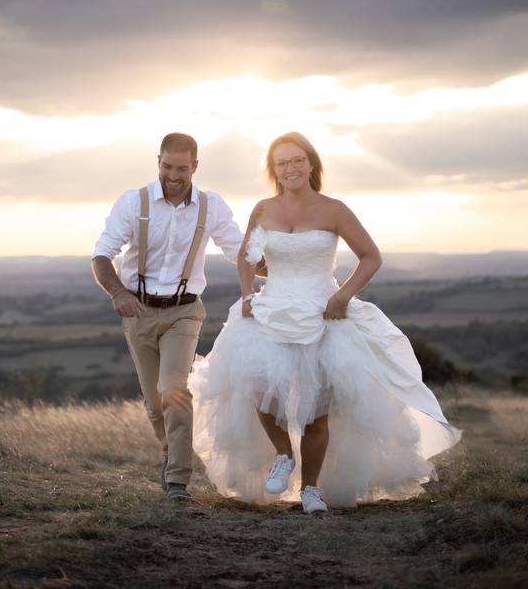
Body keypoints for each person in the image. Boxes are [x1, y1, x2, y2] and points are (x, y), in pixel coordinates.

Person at [191, 132, 461, 513]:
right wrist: (248, 294)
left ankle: (311, 489)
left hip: (323, 312)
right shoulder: (263, 209)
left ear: (312, 163)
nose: (291, 168)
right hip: (272, 310)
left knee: (318, 408)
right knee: (257, 389)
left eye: (297, 160)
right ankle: (284, 455)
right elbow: (246, 257)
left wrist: (342, 296)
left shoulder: (334, 209)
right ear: (274, 171)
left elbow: (370, 256)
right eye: (282, 163)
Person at [92, 132, 246, 502]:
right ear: (157, 160)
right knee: (153, 402)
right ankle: (169, 452)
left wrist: (289, 271)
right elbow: (101, 256)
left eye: (181, 168)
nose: (173, 175)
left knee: (173, 389)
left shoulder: (212, 207)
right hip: (138, 311)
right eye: (166, 166)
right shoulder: (134, 202)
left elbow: (239, 252)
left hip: (185, 311)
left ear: (195, 166)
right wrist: (118, 292)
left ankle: (178, 481)